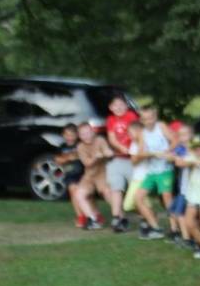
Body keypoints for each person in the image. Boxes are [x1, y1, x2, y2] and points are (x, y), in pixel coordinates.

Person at [132, 105, 177, 239]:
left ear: (155, 117)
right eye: (145, 119)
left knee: (167, 198)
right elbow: (140, 153)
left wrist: (167, 151)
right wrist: (151, 154)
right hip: (151, 171)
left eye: (151, 118)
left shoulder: (161, 126)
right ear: (141, 120)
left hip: (165, 169)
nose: (149, 121)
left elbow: (175, 140)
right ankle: (156, 227)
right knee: (138, 198)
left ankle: (175, 228)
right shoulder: (142, 133)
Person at [104, 96, 139, 233]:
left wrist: (131, 149)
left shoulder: (131, 116)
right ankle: (117, 217)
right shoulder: (110, 120)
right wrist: (121, 147)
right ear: (110, 107)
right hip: (118, 158)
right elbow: (112, 138)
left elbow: (137, 134)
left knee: (136, 191)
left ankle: (145, 218)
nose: (118, 107)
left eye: (121, 104)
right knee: (115, 188)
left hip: (132, 159)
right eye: (115, 105)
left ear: (126, 106)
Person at [73, 122, 115, 229]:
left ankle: (119, 216)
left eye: (88, 133)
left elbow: (106, 150)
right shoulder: (80, 147)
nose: (86, 136)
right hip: (89, 176)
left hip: (103, 173)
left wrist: (108, 153)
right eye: (83, 134)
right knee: (79, 194)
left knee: (108, 193)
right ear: (79, 136)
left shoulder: (100, 140)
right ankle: (93, 219)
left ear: (93, 132)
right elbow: (87, 163)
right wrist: (96, 157)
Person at [53, 123, 95, 229]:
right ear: (63, 135)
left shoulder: (80, 145)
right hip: (70, 174)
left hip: (82, 173)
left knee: (87, 195)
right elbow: (58, 159)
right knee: (74, 192)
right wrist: (68, 158)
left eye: (72, 135)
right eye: (67, 135)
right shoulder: (62, 147)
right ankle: (80, 216)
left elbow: (80, 156)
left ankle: (93, 214)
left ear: (77, 135)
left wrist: (70, 157)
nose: (69, 137)